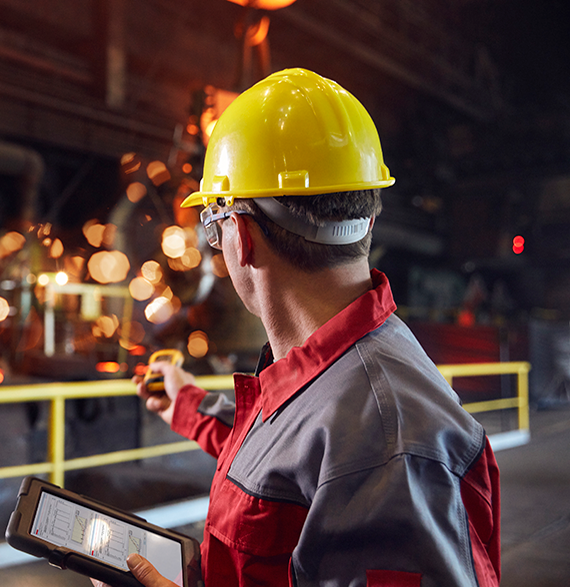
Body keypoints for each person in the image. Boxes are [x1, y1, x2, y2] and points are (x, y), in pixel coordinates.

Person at [127, 69, 500, 586]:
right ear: (369, 219)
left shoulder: (392, 444)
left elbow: (338, 451)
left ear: (239, 235)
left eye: (214, 231)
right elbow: (292, 462)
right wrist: (186, 405)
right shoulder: (325, 374)